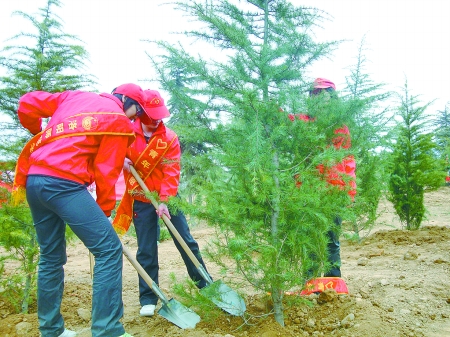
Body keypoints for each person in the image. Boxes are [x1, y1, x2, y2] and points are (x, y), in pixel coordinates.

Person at [13, 83, 148, 337]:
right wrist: (105, 211)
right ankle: (108, 330)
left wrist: (36, 130)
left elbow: (27, 102)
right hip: (64, 184)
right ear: (129, 104)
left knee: (51, 257)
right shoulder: (118, 120)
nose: (135, 120)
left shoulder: (74, 97)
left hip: (34, 181)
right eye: (137, 113)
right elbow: (106, 172)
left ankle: (51, 330)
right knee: (109, 249)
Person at [113, 89, 211, 317]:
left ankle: (205, 285)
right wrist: (121, 160)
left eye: (160, 114)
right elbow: (111, 154)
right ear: (141, 111)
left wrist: (165, 200)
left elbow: (171, 170)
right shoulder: (126, 132)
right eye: (152, 114)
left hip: (167, 196)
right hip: (141, 198)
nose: (157, 119)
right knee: (146, 248)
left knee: (186, 240)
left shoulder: (169, 138)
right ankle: (148, 297)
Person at [290, 78, 356, 279]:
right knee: (310, 239)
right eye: (315, 94)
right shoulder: (303, 121)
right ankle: (309, 282)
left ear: (332, 97)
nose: (320, 98)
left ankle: (333, 282)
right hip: (308, 191)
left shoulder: (340, 127)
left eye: (324, 94)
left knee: (331, 240)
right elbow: (284, 121)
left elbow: (348, 160)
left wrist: (349, 191)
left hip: (334, 192)